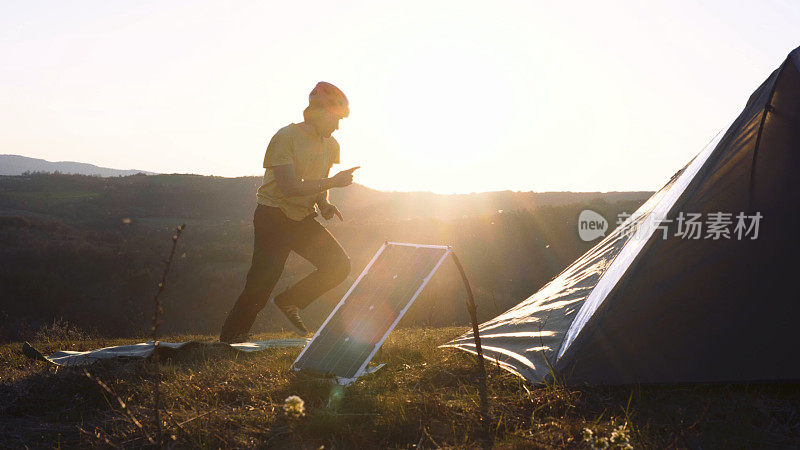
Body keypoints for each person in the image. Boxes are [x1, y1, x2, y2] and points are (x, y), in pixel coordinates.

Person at [220, 81, 359, 343]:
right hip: (273, 216)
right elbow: (289, 187)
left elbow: (317, 182)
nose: (338, 126)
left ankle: (291, 300)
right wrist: (333, 183)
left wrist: (325, 204)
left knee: (339, 265)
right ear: (319, 113)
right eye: (336, 119)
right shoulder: (285, 137)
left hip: (301, 218)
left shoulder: (331, 145)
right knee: (260, 285)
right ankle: (230, 340)